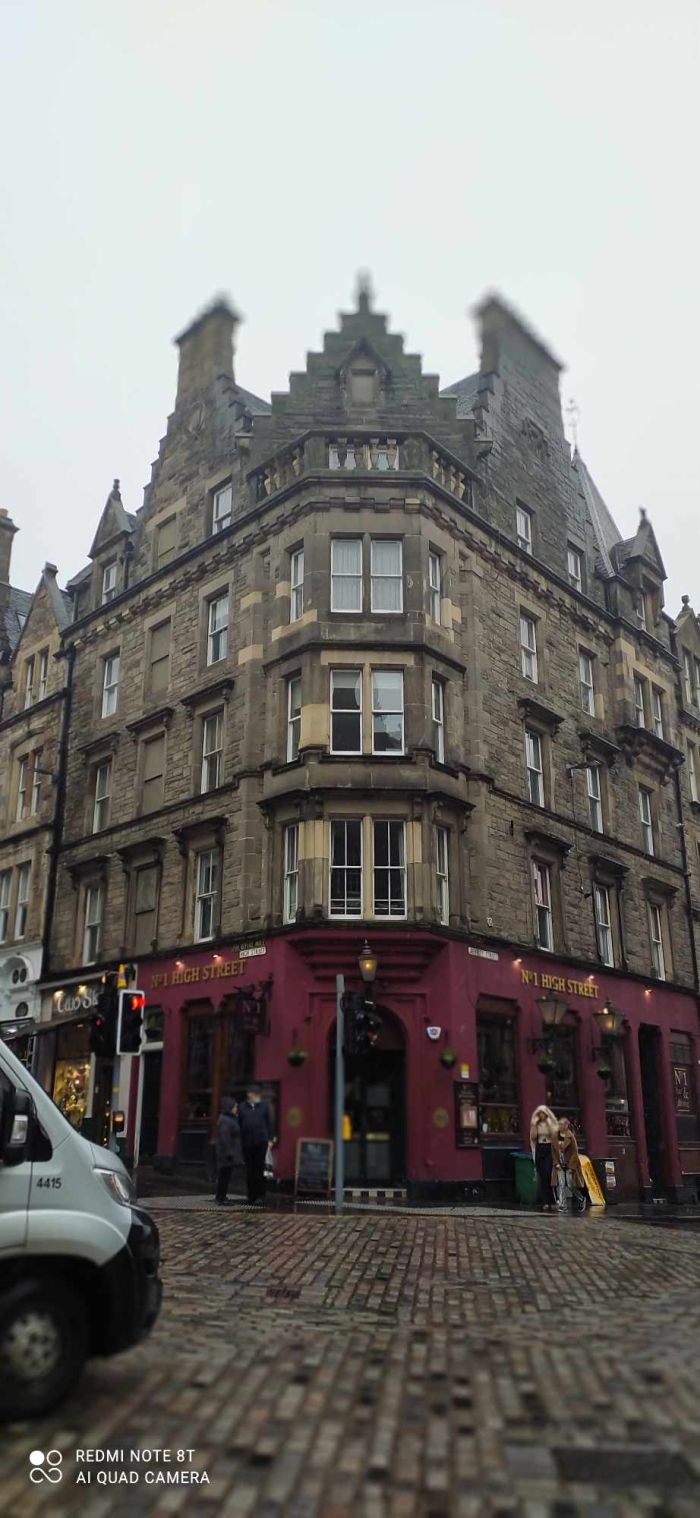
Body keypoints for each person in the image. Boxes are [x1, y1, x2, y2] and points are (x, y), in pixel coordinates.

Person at [238, 1084, 273, 1204]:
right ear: (249, 1095)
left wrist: (270, 1139)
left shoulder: (264, 1106)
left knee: (260, 1169)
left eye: (258, 1094)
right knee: (250, 1170)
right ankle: (251, 1195)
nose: (258, 1097)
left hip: (261, 1141)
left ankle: (260, 1195)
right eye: (255, 1094)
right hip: (247, 1142)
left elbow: (269, 1123)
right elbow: (240, 1123)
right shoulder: (242, 1107)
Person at [554, 1117, 587, 1212]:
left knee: (570, 1184)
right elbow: (553, 1151)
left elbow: (575, 1153)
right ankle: (563, 1206)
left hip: (569, 1165)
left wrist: (571, 1166)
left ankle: (581, 1198)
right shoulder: (555, 1136)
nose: (560, 1126)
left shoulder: (570, 1137)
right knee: (561, 1184)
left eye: (561, 1124)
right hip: (560, 1164)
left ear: (566, 1125)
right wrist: (556, 1162)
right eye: (559, 1124)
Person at [529, 1104, 558, 1210]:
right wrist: (534, 1125)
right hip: (540, 1147)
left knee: (548, 1173)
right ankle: (545, 1201)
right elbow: (533, 1137)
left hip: (548, 1148)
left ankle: (552, 1200)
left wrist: (549, 1123)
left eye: (543, 1113)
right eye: (540, 1113)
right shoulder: (536, 1124)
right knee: (542, 1176)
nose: (541, 1115)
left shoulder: (550, 1122)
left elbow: (554, 1134)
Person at [214, 1097, 241, 1205]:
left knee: (225, 1175)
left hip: (227, 1152)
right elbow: (225, 1137)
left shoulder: (229, 1119)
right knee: (224, 1176)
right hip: (225, 1153)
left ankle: (221, 1196)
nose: (236, 1109)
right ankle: (221, 1198)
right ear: (229, 1108)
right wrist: (229, 1152)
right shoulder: (226, 1120)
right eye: (234, 1107)